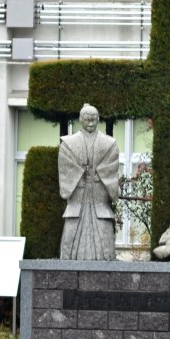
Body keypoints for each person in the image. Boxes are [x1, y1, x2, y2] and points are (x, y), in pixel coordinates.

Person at [58, 103, 120, 260]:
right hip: (77, 198)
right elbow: (65, 166)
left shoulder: (109, 143)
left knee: (105, 240)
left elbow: (111, 167)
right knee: (70, 238)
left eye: (94, 119)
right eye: (87, 119)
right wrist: (81, 172)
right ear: (80, 119)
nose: (91, 123)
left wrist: (98, 173)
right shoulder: (68, 144)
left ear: (98, 119)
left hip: (99, 200)